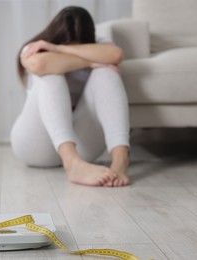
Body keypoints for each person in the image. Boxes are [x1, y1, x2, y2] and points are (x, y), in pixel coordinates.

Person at [10, 6, 130, 187]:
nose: (73, 48)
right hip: (34, 145)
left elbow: (116, 55)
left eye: (79, 46)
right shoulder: (36, 47)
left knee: (107, 73)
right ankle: (72, 163)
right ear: (56, 36)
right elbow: (40, 64)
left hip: (82, 145)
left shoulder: (99, 43)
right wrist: (91, 60)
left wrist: (60, 49)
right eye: (67, 44)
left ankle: (120, 161)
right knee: (51, 75)